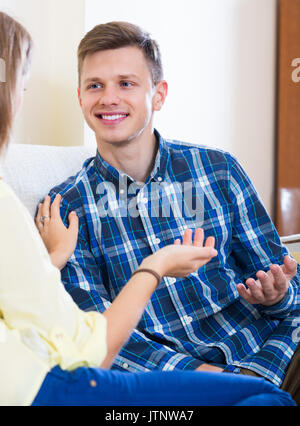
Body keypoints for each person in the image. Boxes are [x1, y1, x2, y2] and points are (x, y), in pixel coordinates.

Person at [0, 11, 295, 407]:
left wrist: (277, 295)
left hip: (274, 353)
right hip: (183, 384)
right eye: (95, 85)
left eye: (126, 83)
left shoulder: (218, 169)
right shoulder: (65, 209)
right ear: (80, 97)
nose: (108, 98)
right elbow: (101, 341)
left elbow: (286, 286)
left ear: (158, 94)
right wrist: (212, 382)